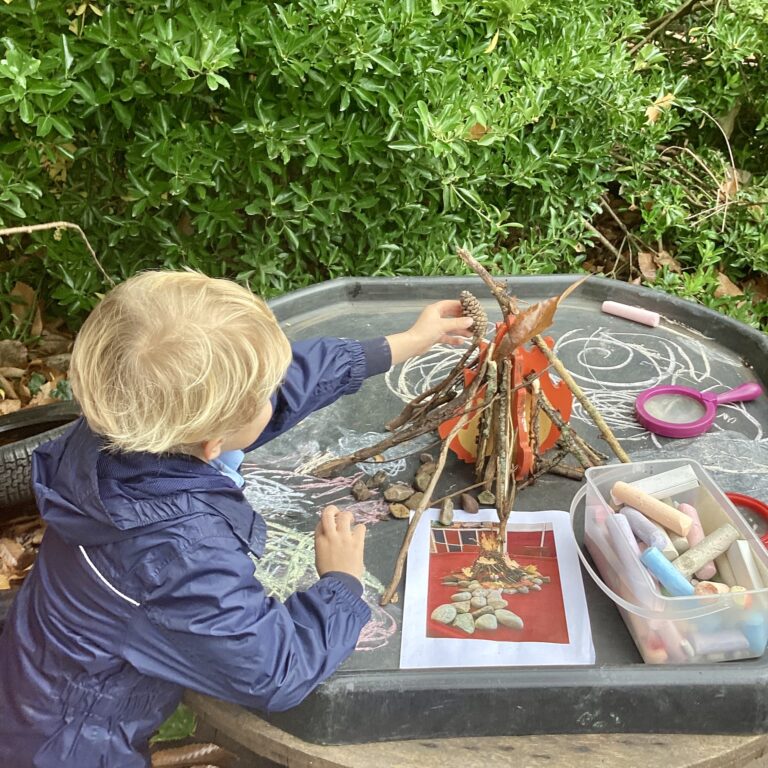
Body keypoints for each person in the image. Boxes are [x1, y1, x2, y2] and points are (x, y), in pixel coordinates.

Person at [0, 270, 473, 768]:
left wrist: (400, 345)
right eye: (264, 395)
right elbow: (273, 672)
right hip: (70, 745)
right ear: (212, 445)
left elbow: (278, 387)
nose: (277, 392)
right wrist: (340, 584)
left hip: (35, 679)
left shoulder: (123, 426)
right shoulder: (177, 556)